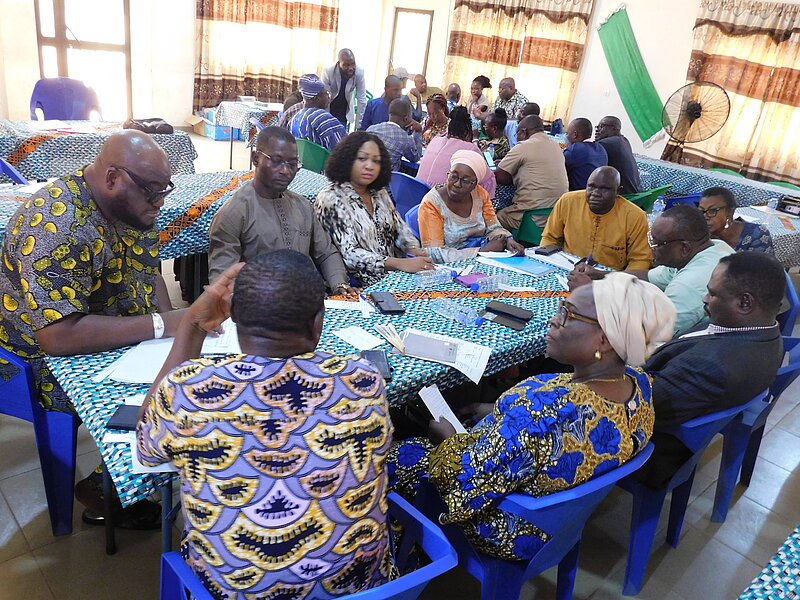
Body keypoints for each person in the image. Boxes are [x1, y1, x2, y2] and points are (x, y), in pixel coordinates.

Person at [137, 251, 392, 600]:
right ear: (318, 322)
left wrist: (193, 326)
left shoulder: (187, 388)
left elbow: (146, 449)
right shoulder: (365, 380)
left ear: (233, 314)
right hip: (362, 590)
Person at [388, 272, 675, 560]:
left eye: (568, 314)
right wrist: (499, 411)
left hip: (518, 526)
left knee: (398, 454)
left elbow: (463, 484)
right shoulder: (640, 383)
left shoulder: (538, 410)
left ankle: (401, 551)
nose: (553, 320)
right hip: (565, 519)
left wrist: (446, 440)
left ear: (604, 341)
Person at [0, 129, 185, 527]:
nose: (159, 202)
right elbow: (57, 337)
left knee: (184, 373)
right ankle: (105, 487)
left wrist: (171, 330)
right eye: (152, 191)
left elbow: (149, 271)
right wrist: (160, 325)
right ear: (113, 178)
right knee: (150, 397)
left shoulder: (131, 207)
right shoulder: (55, 224)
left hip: (108, 329)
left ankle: (128, 476)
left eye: (164, 190)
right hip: (34, 356)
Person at [639, 252, 785, 488]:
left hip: (652, 450)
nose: (705, 299)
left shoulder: (711, 366)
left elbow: (637, 409)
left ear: (745, 303)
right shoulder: (767, 334)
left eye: (713, 293)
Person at [208, 127, 356, 296]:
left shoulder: (302, 205)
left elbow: (327, 253)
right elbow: (223, 284)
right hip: (260, 304)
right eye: (276, 161)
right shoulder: (233, 214)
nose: (285, 171)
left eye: (292, 164)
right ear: (256, 159)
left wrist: (339, 285)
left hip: (309, 299)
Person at [570, 204, 734, 334]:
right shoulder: (710, 247)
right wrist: (600, 275)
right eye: (651, 239)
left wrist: (588, 294)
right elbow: (649, 277)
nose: (650, 248)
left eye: (657, 244)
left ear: (684, 247)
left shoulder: (689, 285)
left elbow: (646, 334)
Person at [314, 132, 434, 286]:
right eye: (362, 159)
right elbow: (350, 254)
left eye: (376, 161)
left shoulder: (379, 193)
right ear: (346, 159)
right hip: (359, 285)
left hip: (394, 278)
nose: (370, 166)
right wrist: (399, 263)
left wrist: (413, 250)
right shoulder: (331, 197)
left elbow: (401, 230)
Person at [418, 150, 524, 263]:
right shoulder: (431, 204)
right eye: (453, 176)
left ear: (475, 184)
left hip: (482, 258)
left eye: (466, 181)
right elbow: (434, 253)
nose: (457, 184)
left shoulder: (480, 195)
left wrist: (507, 239)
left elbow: (493, 228)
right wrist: (481, 251)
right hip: (451, 265)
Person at [540, 166, 651, 271]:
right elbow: (550, 238)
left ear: (618, 191)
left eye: (604, 189)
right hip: (567, 268)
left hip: (609, 276)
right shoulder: (568, 201)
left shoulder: (635, 216)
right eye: (591, 187)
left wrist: (619, 280)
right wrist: (548, 265)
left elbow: (641, 259)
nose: (595, 193)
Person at [495, 115, 569, 230]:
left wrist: (513, 172)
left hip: (530, 217)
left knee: (494, 218)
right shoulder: (556, 145)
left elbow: (499, 176)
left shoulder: (524, 146)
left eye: (517, 134)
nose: (517, 138)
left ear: (524, 132)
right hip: (555, 217)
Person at [416, 106, 497, 198]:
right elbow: (488, 181)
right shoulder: (470, 149)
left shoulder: (435, 140)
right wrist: (475, 140)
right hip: (441, 201)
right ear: (468, 133)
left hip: (415, 195)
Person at [698, 186, 775, 254]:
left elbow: (763, 265)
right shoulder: (697, 235)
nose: (705, 216)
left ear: (730, 212)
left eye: (712, 211)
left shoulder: (756, 234)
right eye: (701, 211)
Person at [288, 74, 346, 151]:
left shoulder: (295, 119)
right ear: (317, 98)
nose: (329, 97)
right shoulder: (323, 118)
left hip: (304, 159)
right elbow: (343, 148)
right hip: (325, 159)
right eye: (326, 93)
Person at [366, 98, 423, 171]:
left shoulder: (371, 129)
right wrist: (418, 131)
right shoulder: (405, 139)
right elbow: (416, 158)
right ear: (406, 118)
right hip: (388, 177)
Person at [594, 116, 642, 194]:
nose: (597, 130)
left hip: (624, 196)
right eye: (597, 127)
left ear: (614, 128)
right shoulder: (624, 141)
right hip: (637, 193)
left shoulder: (606, 144)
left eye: (602, 126)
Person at [321, 48, 367, 129]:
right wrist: (325, 120)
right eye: (346, 65)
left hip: (344, 110)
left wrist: (359, 126)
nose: (351, 68)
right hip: (329, 107)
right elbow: (324, 96)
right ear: (338, 64)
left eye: (353, 64)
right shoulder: (328, 71)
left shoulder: (359, 72)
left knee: (341, 133)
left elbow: (362, 99)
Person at [563, 117, 608, 191]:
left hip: (576, 194)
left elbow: (558, 168)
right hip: (595, 194)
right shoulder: (601, 149)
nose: (566, 136)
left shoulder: (574, 150)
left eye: (567, 133)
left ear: (575, 135)